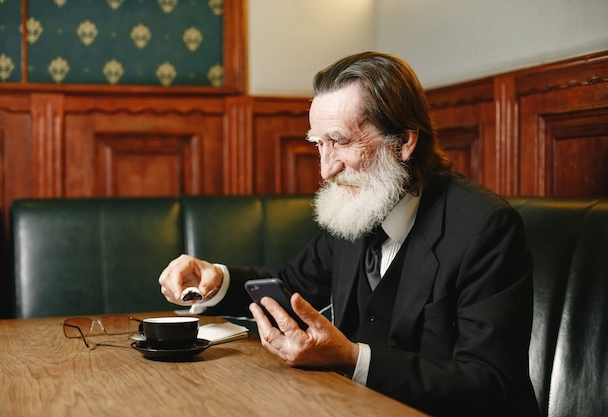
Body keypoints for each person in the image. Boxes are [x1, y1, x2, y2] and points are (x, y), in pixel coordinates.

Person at [159, 51, 539, 416]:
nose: (326, 170)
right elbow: (291, 285)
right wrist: (216, 280)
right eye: (319, 144)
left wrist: (352, 358)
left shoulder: (485, 228)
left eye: (341, 142)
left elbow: (491, 385)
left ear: (404, 142)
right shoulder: (359, 208)